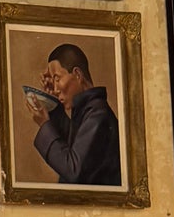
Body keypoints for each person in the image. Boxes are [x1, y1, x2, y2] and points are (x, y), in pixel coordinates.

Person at [26, 42, 121, 186]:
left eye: (57, 79)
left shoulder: (98, 115)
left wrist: (44, 124)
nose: (55, 89)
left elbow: (73, 170)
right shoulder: (88, 111)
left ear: (77, 74)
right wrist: (52, 107)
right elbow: (69, 143)